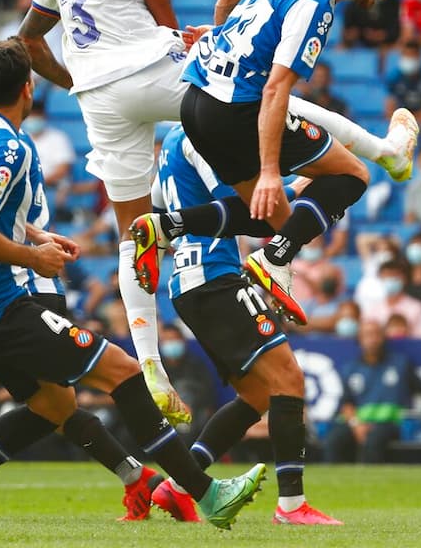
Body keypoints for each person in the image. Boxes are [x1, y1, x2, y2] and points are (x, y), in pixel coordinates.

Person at [19, 0, 417, 414]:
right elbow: (163, 14)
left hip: (97, 98)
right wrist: (205, 44)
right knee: (268, 100)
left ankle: (150, 370)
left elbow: (29, 39)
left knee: (138, 231)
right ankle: (387, 155)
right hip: (157, 74)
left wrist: (77, 84)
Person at [0, 38, 266, 536]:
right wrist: (34, 255)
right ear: (29, 88)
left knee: (52, 406)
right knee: (120, 371)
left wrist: (32, 233)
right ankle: (206, 494)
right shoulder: (7, 145)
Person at [131, 0, 415, 325]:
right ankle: (275, 258)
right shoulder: (318, 1)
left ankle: (165, 226)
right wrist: (268, 170)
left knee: (272, 214)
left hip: (196, 103)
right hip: (237, 112)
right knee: (353, 174)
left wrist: (223, 37)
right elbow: (276, 89)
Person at [146, 123, 345, 525]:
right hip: (214, 277)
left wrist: (293, 187)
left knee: (256, 395)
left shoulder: (168, 146)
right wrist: (303, 191)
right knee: (289, 378)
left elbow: (163, 205)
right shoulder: (199, 137)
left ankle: (180, 485)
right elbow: (239, 210)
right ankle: (292, 506)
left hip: (190, 282)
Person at [326, 320, 421, 463]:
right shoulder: (350, 369)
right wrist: (357, 425)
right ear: (359, 339)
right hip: (359, 422)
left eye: (377, 334)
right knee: (334, 439)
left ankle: (372, 481)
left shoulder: (400, 363)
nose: (373, 339)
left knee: (374, 440)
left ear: (383, 337)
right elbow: (346, 404)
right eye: (368, 335)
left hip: (390, 423)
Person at [385, 39, 421, 130]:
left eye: (411, 55)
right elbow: (390, 104)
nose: (408, 58)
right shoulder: (394, 75)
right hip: (401, 118)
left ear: (419, 56)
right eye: (406, 55)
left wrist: (417, 120)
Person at [363, 259, 421, 334]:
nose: (391, 279)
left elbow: (420, 337)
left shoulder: (416, 307)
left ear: (404, 278)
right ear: (380, 278)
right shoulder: (373, 309)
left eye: (395, 275)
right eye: (387, 276)